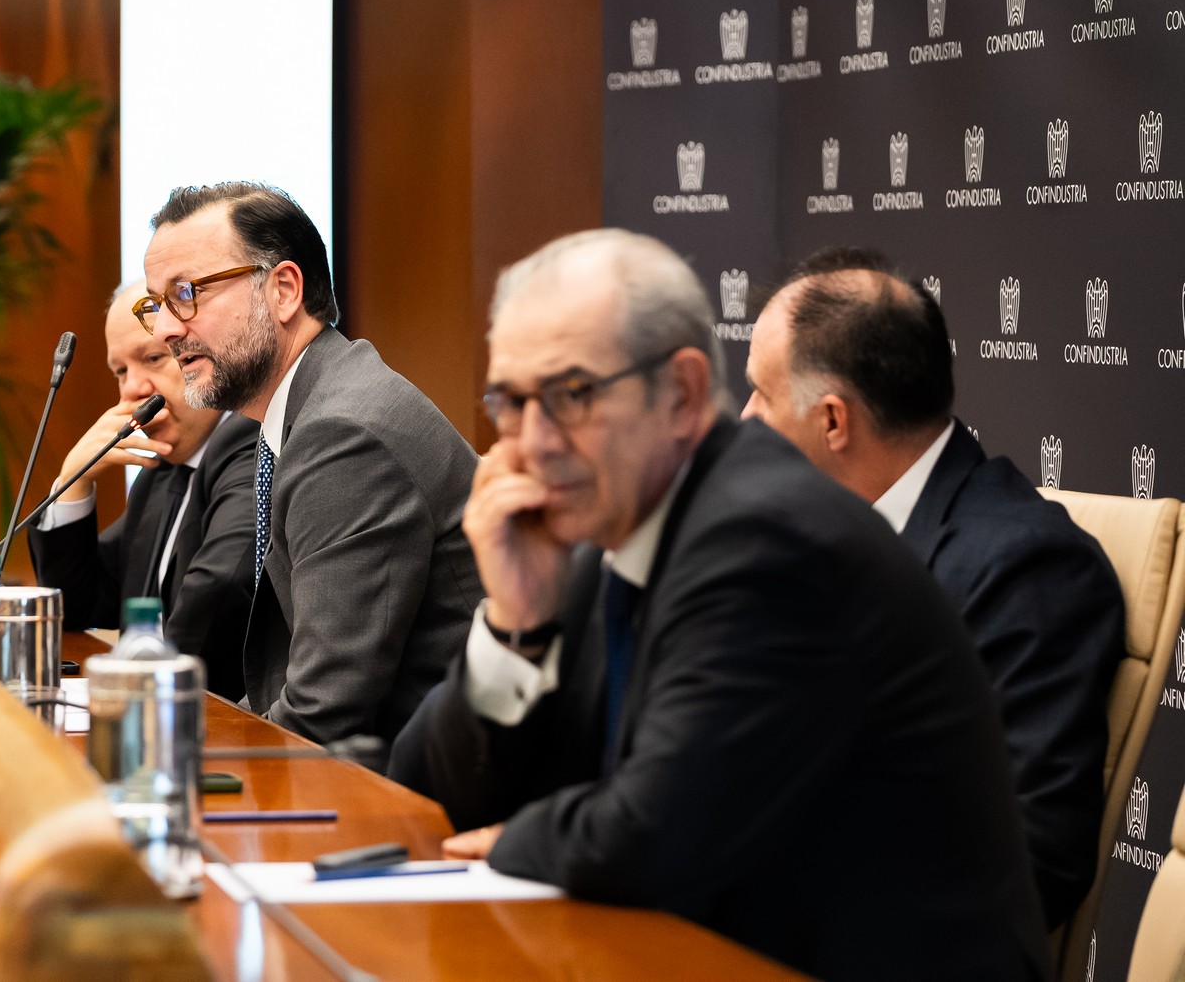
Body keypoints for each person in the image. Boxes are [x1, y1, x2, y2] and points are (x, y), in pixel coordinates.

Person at [391, 228, 1048, 981]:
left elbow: (652, 835)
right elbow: (425, 787)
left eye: (571, 395)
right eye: (512, 401)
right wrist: (517, 624)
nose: (533, 442)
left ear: (681, 393)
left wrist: (514, 839)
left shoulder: (762, 538)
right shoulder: (611, 535)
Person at [741, 247, 1124, 930]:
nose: (744, 419)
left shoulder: (1025, 569)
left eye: (761, 396)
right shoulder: (798, 541)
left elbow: (1032, 862)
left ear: (832, 420)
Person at [136, 181, 482, 748]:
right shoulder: (309, 408)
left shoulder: (343, 434)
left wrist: (166, 759)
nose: (167, 329)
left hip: (421, 782)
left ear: (284, 290)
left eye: (187, 293)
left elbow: (322, 713)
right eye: (156, 305)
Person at [28, 282, 258, 698]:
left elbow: (221, 587)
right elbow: (80, 606)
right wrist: (73, 481)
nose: (132, 388)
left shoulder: (253, 443)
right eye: (120, 371)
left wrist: (133, 683)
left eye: (152, 358)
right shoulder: (160, 471)